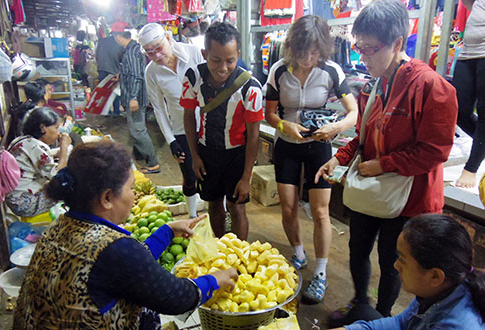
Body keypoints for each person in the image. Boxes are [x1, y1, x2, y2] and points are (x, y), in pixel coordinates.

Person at [316, 0, 458, 322]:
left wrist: (384, 164)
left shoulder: (430, 87)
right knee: (357, 246)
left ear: (396, 44)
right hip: (372, 189)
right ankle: (360, 303)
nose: (362, 57)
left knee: (394, 259)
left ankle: (381, 316)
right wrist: (338, 159)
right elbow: (364, 137)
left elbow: (436, 151)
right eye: (358, 48)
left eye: (369, 49)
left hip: (410, 198)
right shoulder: (373, 86)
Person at [12, 141, 238, 329]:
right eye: (130, 188)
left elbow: (129, 266)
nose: (134, 195)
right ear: (107, 198)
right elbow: (176, 297)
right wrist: (215, 279)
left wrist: (168, 231)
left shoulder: (63, 223)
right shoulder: (114, 249)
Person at [265, 15, 358, 304]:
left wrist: (336, 128)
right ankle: (298, 252)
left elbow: (354, 112)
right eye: (302, 52)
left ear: (322, 49)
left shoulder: (331, 70)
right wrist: (284, 126)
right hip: (287, 145)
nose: (307, 59)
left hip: (319, 146)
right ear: (292, 47)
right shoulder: (279, 70)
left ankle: (320, 272)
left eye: (314, 53)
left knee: (320, 212)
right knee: (289, 206)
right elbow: (270, 114)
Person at [331, 214, 485, 330]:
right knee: (361, 312)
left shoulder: (458, 324)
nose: (396, 265)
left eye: (403, 260)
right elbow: (401, 323)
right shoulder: (437, 289)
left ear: (435, 276)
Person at [181, 22, 263, 240]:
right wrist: (195, 157)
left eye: (230, 60)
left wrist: (247, 176)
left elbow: (254, 135)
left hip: (238, 155)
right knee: (214, 203)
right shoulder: (192, 78)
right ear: (204, 54)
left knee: (237, 208)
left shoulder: (250, 87)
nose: (223, 68)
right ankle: (219, 251)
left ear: (238, 54)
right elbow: (188, 117)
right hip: (206, 153)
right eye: (216, 60)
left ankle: (239, 257)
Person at [138, 23, 204, 218]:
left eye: (158, 48)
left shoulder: (193, 53)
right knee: (189, 175)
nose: (156, 55)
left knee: (215, 173)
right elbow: (158, 108)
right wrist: (171, 141)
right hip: (181, 129)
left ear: (168, 37)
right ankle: (192, 217)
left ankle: (221, 211)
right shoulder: (151, 72)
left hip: (208, 126)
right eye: (150, 53)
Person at [112, 21, 160, 173]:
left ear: (118, 36)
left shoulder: (131, 52)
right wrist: (121, 75)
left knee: (138, 130)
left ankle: (153, 163)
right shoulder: (132, 49)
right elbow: (133, 72)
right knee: (136, 128)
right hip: (135, 96)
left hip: (135, 98)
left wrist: (133, 97)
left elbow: (135, 77)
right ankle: (139, 156)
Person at [6, 107, 71, 217]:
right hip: (25, 203)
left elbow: (44, 155)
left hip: (15, 198)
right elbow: (58, 174)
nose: (58, 133)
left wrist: (62, 152)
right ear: (43, 128)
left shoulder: (23, 140)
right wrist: (64, 147)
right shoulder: (35, 146)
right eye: (56, 128)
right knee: (68, 182)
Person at [453, 0, 485, 188]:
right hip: (468, 53)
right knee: (458, 110)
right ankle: (481, 148)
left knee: (483, 113)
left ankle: (471, 168)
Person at [95, 34, 124, 118]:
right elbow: (121, 58)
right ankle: (116, 111)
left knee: (104, 91)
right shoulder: (119, 42)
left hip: (101, 69)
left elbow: (96, 56)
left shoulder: (101, 41)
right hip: (113, 70)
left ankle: (106, 111)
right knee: (114, 91)